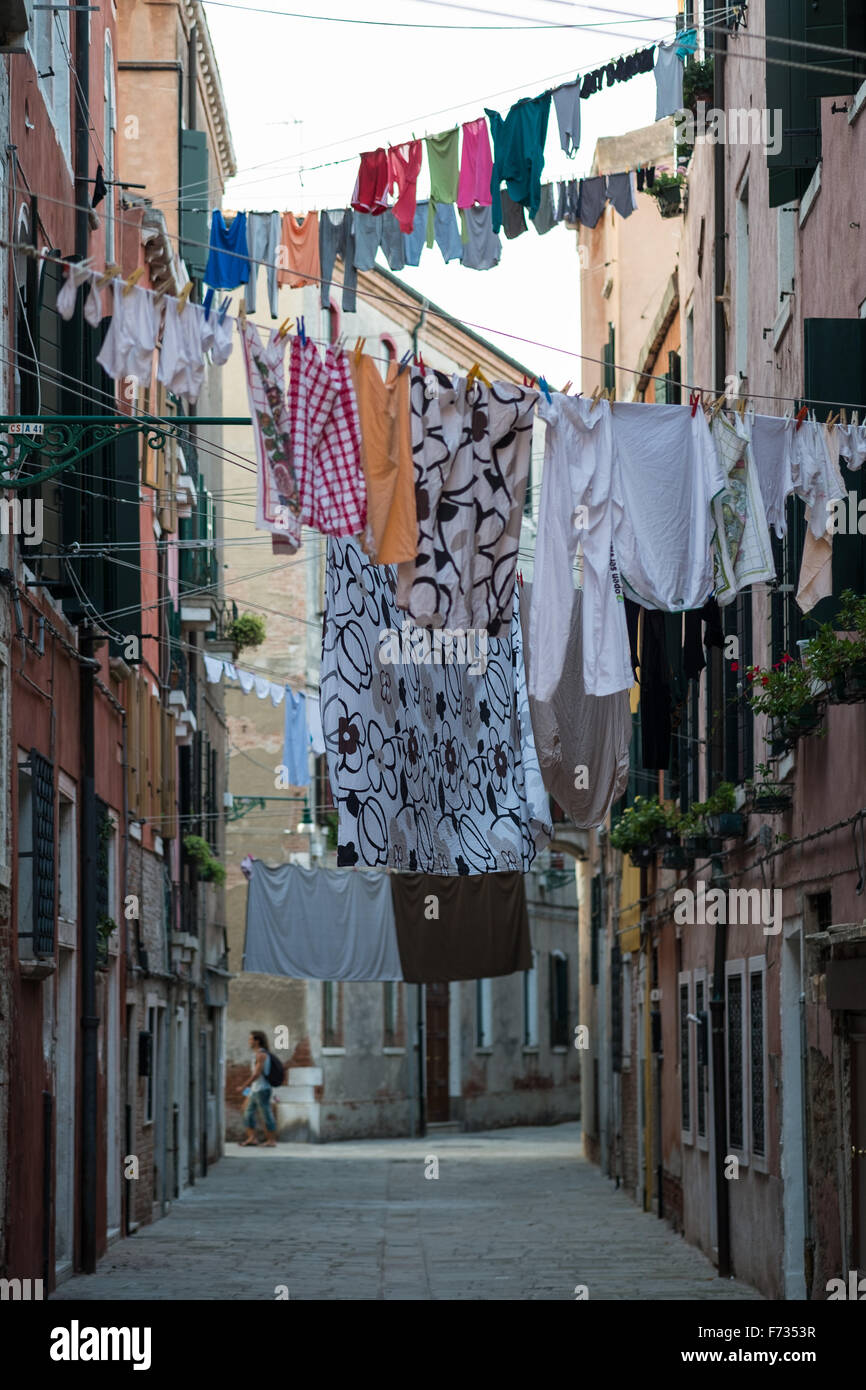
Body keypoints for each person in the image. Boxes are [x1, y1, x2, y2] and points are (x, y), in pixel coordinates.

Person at [239, 1030, 277, 1147]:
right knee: (247, 1112)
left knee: (266, 1114)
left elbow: (256, 1074)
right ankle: (252, 1138)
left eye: (251, 1039)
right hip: (255, 1089)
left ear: (257, 1041)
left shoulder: (261, 1055)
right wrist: (248, 1090)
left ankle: (271, 1141)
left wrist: (243, 1086)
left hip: (262, 1090)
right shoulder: (257, 1054)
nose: (249, 1042)